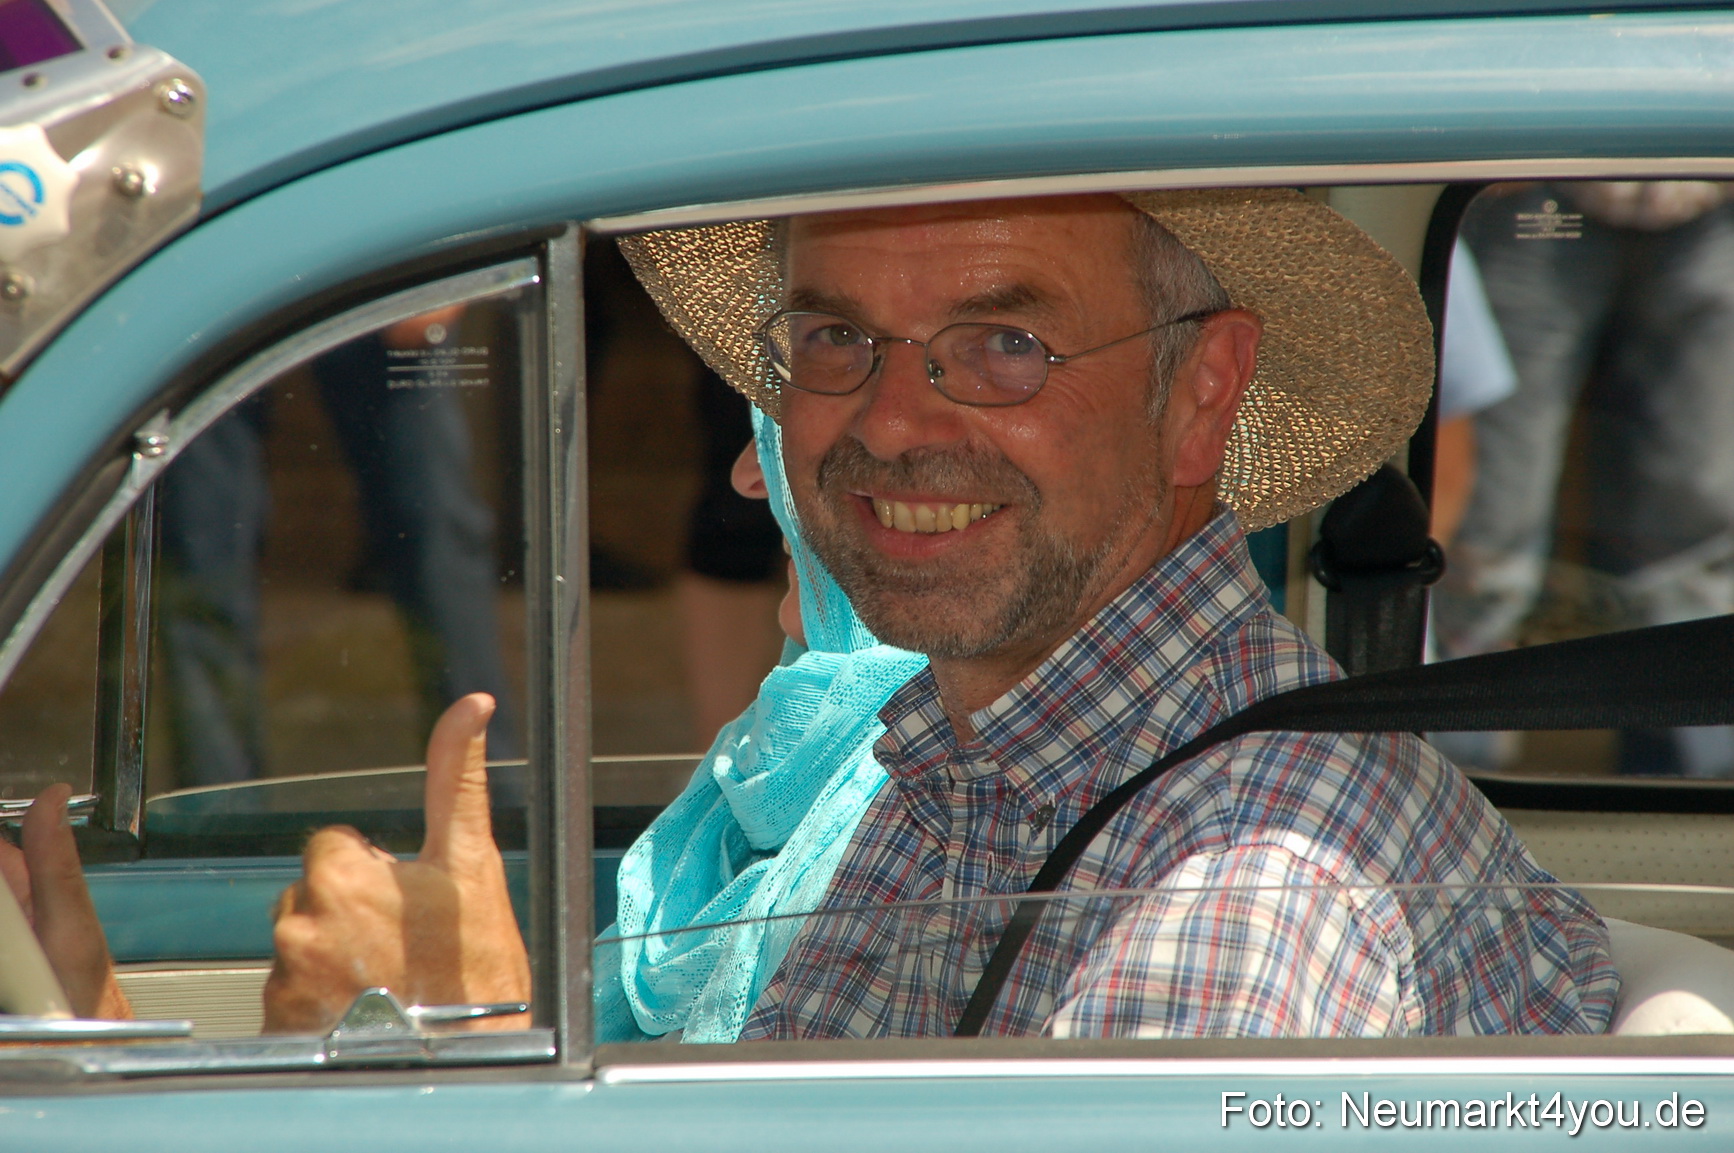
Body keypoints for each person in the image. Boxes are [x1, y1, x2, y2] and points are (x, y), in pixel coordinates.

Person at [8, 189, 1618, 1039]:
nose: (890, 421)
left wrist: (467, 1026)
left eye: (1002, 345)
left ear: (1203, 396)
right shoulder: (957, 761)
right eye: (834, 341)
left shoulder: (1230, 891)